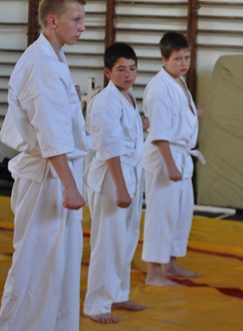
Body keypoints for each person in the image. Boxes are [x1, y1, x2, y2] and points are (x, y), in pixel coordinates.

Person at [0, 0, 89, 331]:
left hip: (57, 173)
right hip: (47, 178)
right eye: (76, 20)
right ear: (52, 21)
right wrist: (69, 185)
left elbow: (58, 120)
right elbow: (50, 132)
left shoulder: (54, 58)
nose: (82, 27)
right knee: (34, 269)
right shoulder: (41, 63)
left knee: (60, 268)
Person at [83, 42, 147, 324]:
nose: (128, 74)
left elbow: (125, 134)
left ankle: (118, 293)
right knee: (108, 242)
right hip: (113, 176)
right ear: (108, 72)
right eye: (121, 69)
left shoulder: (128, 97)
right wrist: (120, 187)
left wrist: (140, 125)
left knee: (127, 238)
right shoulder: (105, 101)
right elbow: (109, 146)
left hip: (131, 172)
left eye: (132, 68)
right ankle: (96, 304)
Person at [141, 31, 205, 287]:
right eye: (178, 59)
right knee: (161, 215)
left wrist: (192, 114)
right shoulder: (159, 88)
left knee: (180, 214)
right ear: (164, 59)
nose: (184, 63)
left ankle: (170, 263)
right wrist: (170, 166)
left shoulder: (178, 82)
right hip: (165, 158)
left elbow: (175, 115)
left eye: (187, 57)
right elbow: (159, 132)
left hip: (181, 157)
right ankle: (153, 271)